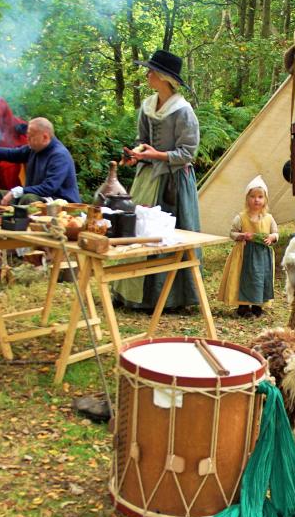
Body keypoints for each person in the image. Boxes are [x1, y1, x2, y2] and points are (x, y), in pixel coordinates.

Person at [113, 50, 202, 311]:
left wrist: (157, 155)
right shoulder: (148, 105)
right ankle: (130, 293)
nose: (147, 74)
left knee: (167, 236)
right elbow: (142, 140)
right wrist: (137, 154)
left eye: (151, 71)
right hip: (147, 177)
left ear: (164, 78)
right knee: (138, 229)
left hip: (172, 183)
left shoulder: (183, 111)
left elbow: (188, 153)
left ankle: (170, 298)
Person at [0, 117, 80, 205]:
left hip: (60, 203)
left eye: (31, 137)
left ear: (45, 137)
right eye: (27, 136)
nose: (27, 140)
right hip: (37, 198)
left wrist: (18, 191)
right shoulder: (34, 148)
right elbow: (12, 154)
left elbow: (49, 188)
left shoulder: (59, 155)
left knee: (29, 199)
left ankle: (22, 232)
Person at [218, 176, 278, 317]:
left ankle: (258, 306)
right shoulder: (241, 217)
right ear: (247, 199)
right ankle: (243, 307)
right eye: (252, 196)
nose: (256, 200)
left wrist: (271, 237)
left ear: (265, 200)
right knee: (243, 278)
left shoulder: (269, 218)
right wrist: (242, 235)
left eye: (260, 197)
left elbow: (276, 233)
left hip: (262, 256)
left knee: (259, 278)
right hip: (244, 254)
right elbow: (232, 233)